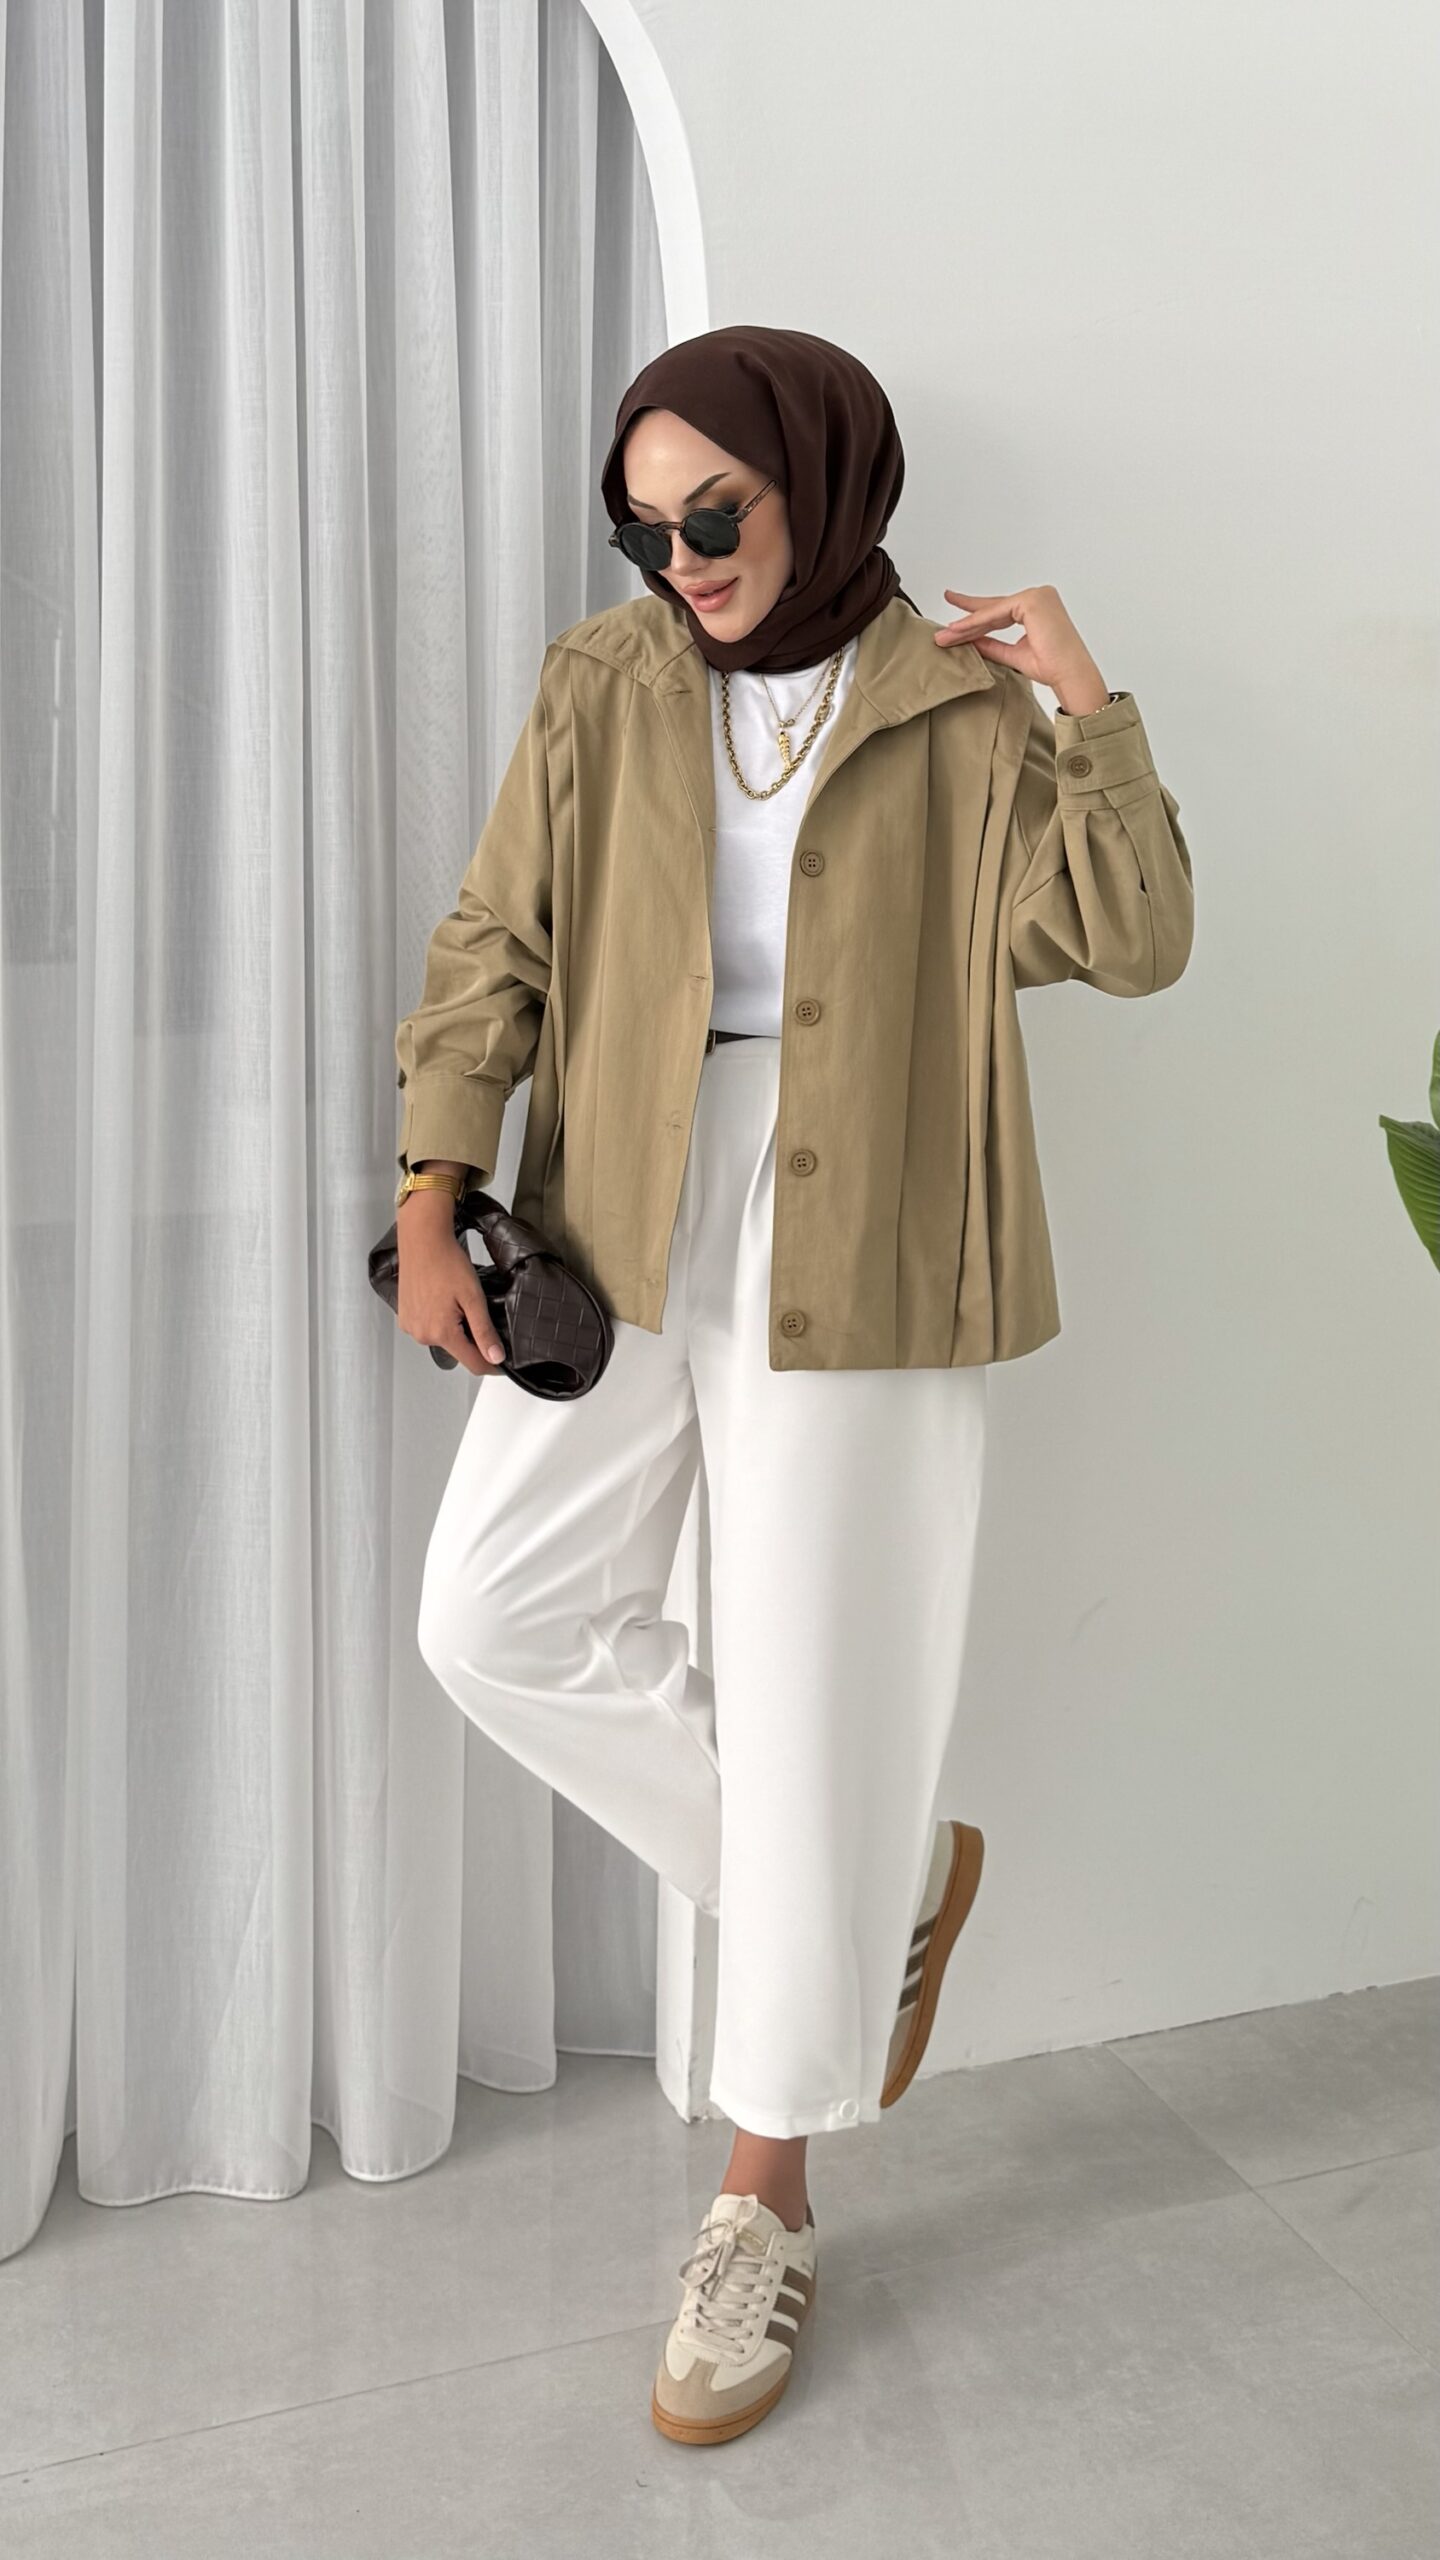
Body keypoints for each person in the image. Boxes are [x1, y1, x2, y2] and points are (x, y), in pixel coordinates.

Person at [391, 325, 1195, 2447]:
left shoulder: (960, 705)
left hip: (877, 1215)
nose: (684, 559)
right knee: (490, 1612)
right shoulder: (603, 685)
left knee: (816, 1687)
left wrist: (1087, 705)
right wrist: (431, 1174)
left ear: (820, 479)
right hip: (626, 1199)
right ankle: (876, 1888)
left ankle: (764, 2202)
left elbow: (1133, 940)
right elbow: (497, 942)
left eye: (717, 511)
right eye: (646, 528)